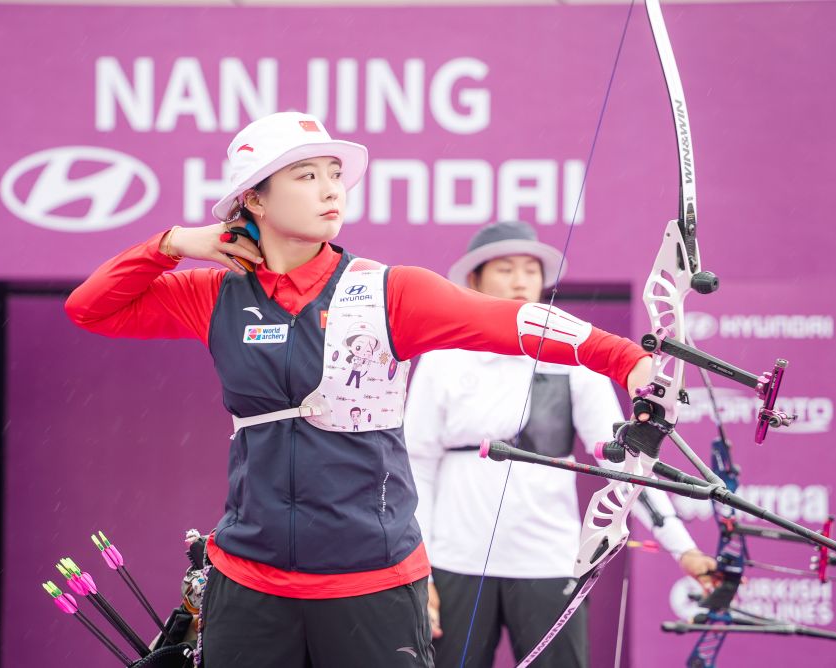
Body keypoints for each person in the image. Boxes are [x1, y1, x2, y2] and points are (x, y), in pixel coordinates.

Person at [64, 112, 657, 668]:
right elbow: (90, 309)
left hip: (372, 581)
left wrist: (627, 361)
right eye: (306, 176)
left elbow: (512, 321)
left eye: (334, 174)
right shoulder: (214, 295)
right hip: (249, 581)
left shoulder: (388, 291)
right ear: (254, 199)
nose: (331, 189)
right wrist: (171, 244)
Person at [404, 221, 717, 668]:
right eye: (505, 269)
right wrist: (421, 571)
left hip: (549, 561)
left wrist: (682, 548)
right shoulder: (443, 358)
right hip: (455, 562)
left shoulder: (571, 356)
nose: (519, 281)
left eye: (530, 270)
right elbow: (416, 466)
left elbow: (628, 462)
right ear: (474, 280)